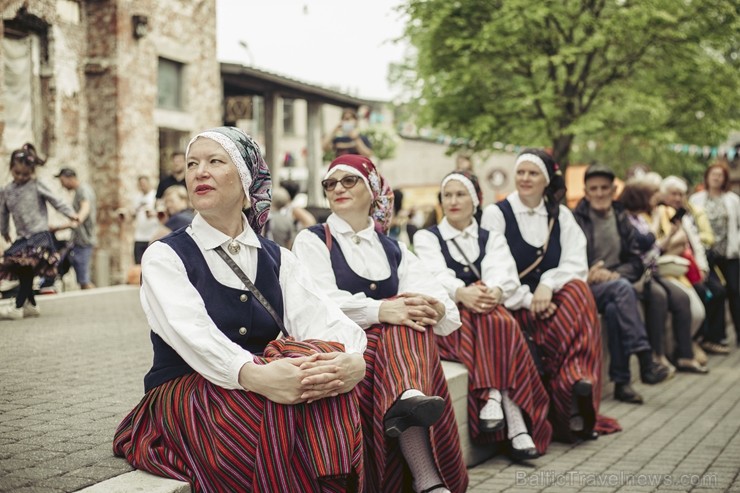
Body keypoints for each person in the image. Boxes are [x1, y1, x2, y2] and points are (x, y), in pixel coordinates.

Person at [113, 127, 367, 492]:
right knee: (281, 419)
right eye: (192, 164)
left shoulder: (278, 258)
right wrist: (257, 377)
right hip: (188, 391)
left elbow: (321, 317)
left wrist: (353, 361)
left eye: (215, 161)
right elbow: (192, 333)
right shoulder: (165, 255)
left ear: (246, 180)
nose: (200, 172)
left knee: (320, 360)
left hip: (262, 385)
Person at [292, 155, 467, 493]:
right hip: (346, 348)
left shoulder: (394, 248)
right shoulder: (313, 239)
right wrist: (382, 311)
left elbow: (445, 309)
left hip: (395, 356)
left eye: (348, 181)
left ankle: (407, 401)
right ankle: (426, 473)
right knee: (401, 317)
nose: (338, 188)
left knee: (410, 315)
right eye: (330, 183)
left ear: (372, 189)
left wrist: (433, 308)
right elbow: (319, 302)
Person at [414, 170, 551, 459]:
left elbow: (502, 273)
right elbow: (433, 274)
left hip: (483, 318)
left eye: (460, 194)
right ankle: (514, 420)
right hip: (453, 324)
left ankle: (493, 397)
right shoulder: (428, 237)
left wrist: (494, 291)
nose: (453, 200)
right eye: (447, 195)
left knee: (494, 315)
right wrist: (462, 293)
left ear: (476, 199)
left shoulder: (491, 237)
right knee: (500, 321)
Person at [481, 149, 613, 441]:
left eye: (533, 173)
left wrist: (548, 284)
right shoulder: (496, 213)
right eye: (521, 172)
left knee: (579, 291)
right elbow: (495, 268)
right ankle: (569, 399)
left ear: (546, 180)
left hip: (550, 303)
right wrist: (529, 298)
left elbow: (577, 264)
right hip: (514, 303)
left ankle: (577, 382)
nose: (525, 178)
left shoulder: (561, 215)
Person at [573, 163, 670, 405]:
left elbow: (636, 262)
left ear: (614, 189)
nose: (599, 193)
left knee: (618, 306)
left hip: (616, 284)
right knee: (623, 291)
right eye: (593, 188)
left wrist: (615, 275)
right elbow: (566, 258)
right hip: (585, 284)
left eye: (604, 188)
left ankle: (622, 382)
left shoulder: (621, 216)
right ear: (585, 191)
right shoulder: (575, 219)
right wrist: (589, 271)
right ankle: (646, 359)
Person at [619, 180, 708, 374]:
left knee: (681, 298)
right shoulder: (626, 219)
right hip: (641, 274)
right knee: (659, 297)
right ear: (640, 197)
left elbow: (655, 248)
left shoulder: (642, 219)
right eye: (653, 196)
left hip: (653, 270)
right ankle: (657, 355)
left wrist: (669, 237)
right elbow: (646, 243)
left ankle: (685, 355)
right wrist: (660, 228)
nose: (656, 200)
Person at [0, 143, 78, 320]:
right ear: (11, 168)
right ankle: (32, 305)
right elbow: (3, 213)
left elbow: (55, 200)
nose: (21, 177)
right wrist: (3, 230)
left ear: (32, 172)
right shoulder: (6, 191)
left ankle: (18, 306)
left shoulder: (36, 185)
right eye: (17, 173)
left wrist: (71, 214)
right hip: (22, 237)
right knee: (20, 268)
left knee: (26, 267)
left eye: (25, 174)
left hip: (39, 235)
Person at [661, 175, 729, 355]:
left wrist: (702, 267)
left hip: (695, 266)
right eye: (673, 194)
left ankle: (711, 338)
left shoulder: (684, 215)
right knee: (701, 294)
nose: (677, 198)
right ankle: (696, 340)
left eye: (680, 195)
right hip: (676, 269)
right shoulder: (662, 213)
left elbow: (696, 244)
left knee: (719, 291)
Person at [689, 162, 740, 346]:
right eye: (714, 175)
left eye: (720, 175)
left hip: (729, 253)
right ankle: (715, 335)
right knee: (717, 291)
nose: (717, 178)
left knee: (735, 291)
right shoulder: (696, 199)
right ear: (708, 177)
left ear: (725, 179)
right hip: (706, 254)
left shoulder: (732, 199)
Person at [55, 167, 97, 289]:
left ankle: (96, 302)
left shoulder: (83, 190)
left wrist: (79, 218)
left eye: (62, 181)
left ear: (70, 178)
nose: (62, 185)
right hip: (77, 240)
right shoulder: (80, 191)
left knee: (84, 280)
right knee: (77, 276)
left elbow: (85, 207)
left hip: (84, 241)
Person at [121, 175, 158, 264]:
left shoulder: (155, 196)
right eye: (140, 184)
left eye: (144, 183)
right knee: (138, 264)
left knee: (151, 263)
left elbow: (162, 214)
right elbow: (132, 215)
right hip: (139, 235)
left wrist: (153, 214)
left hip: (152, 235)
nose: (142, 186)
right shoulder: (137, 197)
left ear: (149, 183)